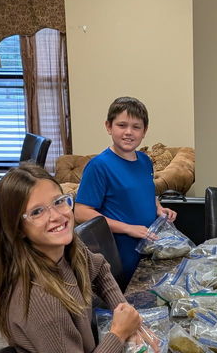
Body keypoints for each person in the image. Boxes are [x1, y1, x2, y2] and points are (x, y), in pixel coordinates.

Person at [0, 163, 148, 353]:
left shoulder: (67, 248)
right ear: (17, 228)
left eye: (59, 202)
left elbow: (98, 268)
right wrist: (119, 333)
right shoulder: (40, 299)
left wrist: (123, 310)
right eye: (37, 212)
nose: (57, 216)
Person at [74, 97, 177, 284]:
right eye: (122, 125)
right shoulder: (99, 166)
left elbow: (146, 192)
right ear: (108, 127)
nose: (129, 132)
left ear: (144, 131)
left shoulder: (145, 161)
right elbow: (81, 212)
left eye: (136, 127)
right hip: (120, 258)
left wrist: (159, 208)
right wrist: (127, 228)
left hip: (148, 254)